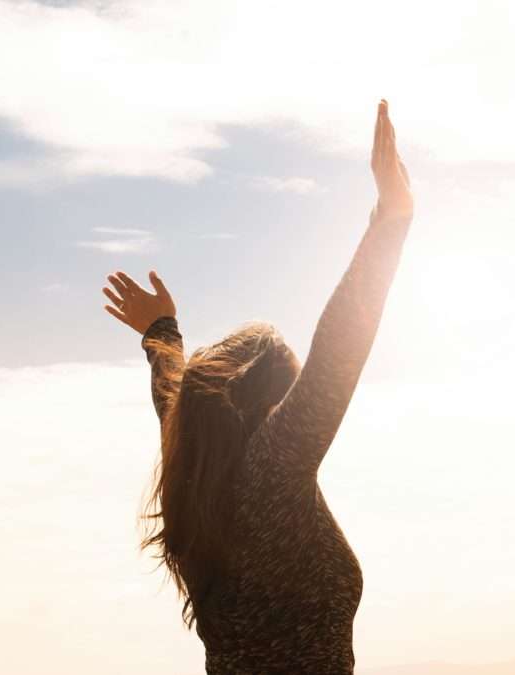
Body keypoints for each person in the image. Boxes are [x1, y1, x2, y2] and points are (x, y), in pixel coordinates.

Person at [101, 99, 414, 674]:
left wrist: (162, 333)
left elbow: (172, 397)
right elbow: (337, 353)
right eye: (292, 392)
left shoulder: (195, 480)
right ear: (271, 401)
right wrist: (389, 222)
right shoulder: (270, 473)